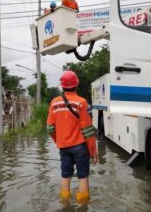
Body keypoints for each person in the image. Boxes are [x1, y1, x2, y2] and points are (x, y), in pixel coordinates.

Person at [47, 71, 98, 203]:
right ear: (76, 84)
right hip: (80, 146)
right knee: (83, 177)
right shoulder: (81, 102)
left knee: (65, 175)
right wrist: (93, 150)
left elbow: (50, 128)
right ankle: (83, 206)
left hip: (63, 147)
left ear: (62, 86)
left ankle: (65, 204)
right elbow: (87, 130)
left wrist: (59, 140)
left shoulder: (54, 103)